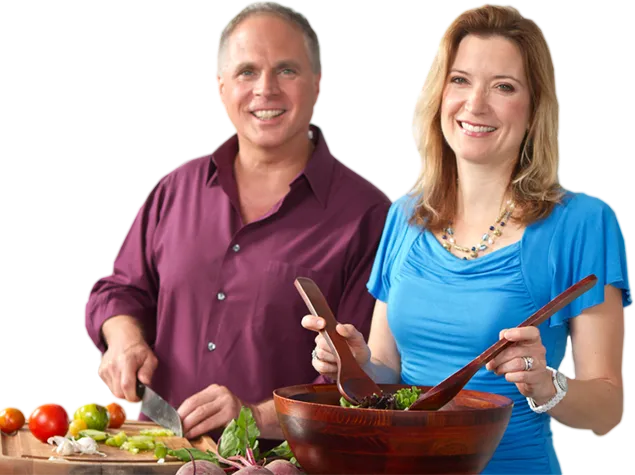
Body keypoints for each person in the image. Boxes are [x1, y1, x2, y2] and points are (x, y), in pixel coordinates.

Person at [302, 4, 632, 474]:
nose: (475, 105)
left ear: (534, 105)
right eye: (460, 80)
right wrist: (355, 366)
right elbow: (388, 376)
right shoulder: (405, 214)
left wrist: (545, 383)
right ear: (440, 94)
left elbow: (603, 409)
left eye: (503, 86)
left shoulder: (582, 223)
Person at [83, 0, 390, 446]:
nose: (265, 89)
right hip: (156, 452)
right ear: (220, 86)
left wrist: (255, 417)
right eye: (247, 72)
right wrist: (124, 337)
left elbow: (364, 381)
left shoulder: (367, 216)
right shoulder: (176, 189)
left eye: (286, 70)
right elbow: (120, 290)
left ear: (319, 84)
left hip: (283, 464)